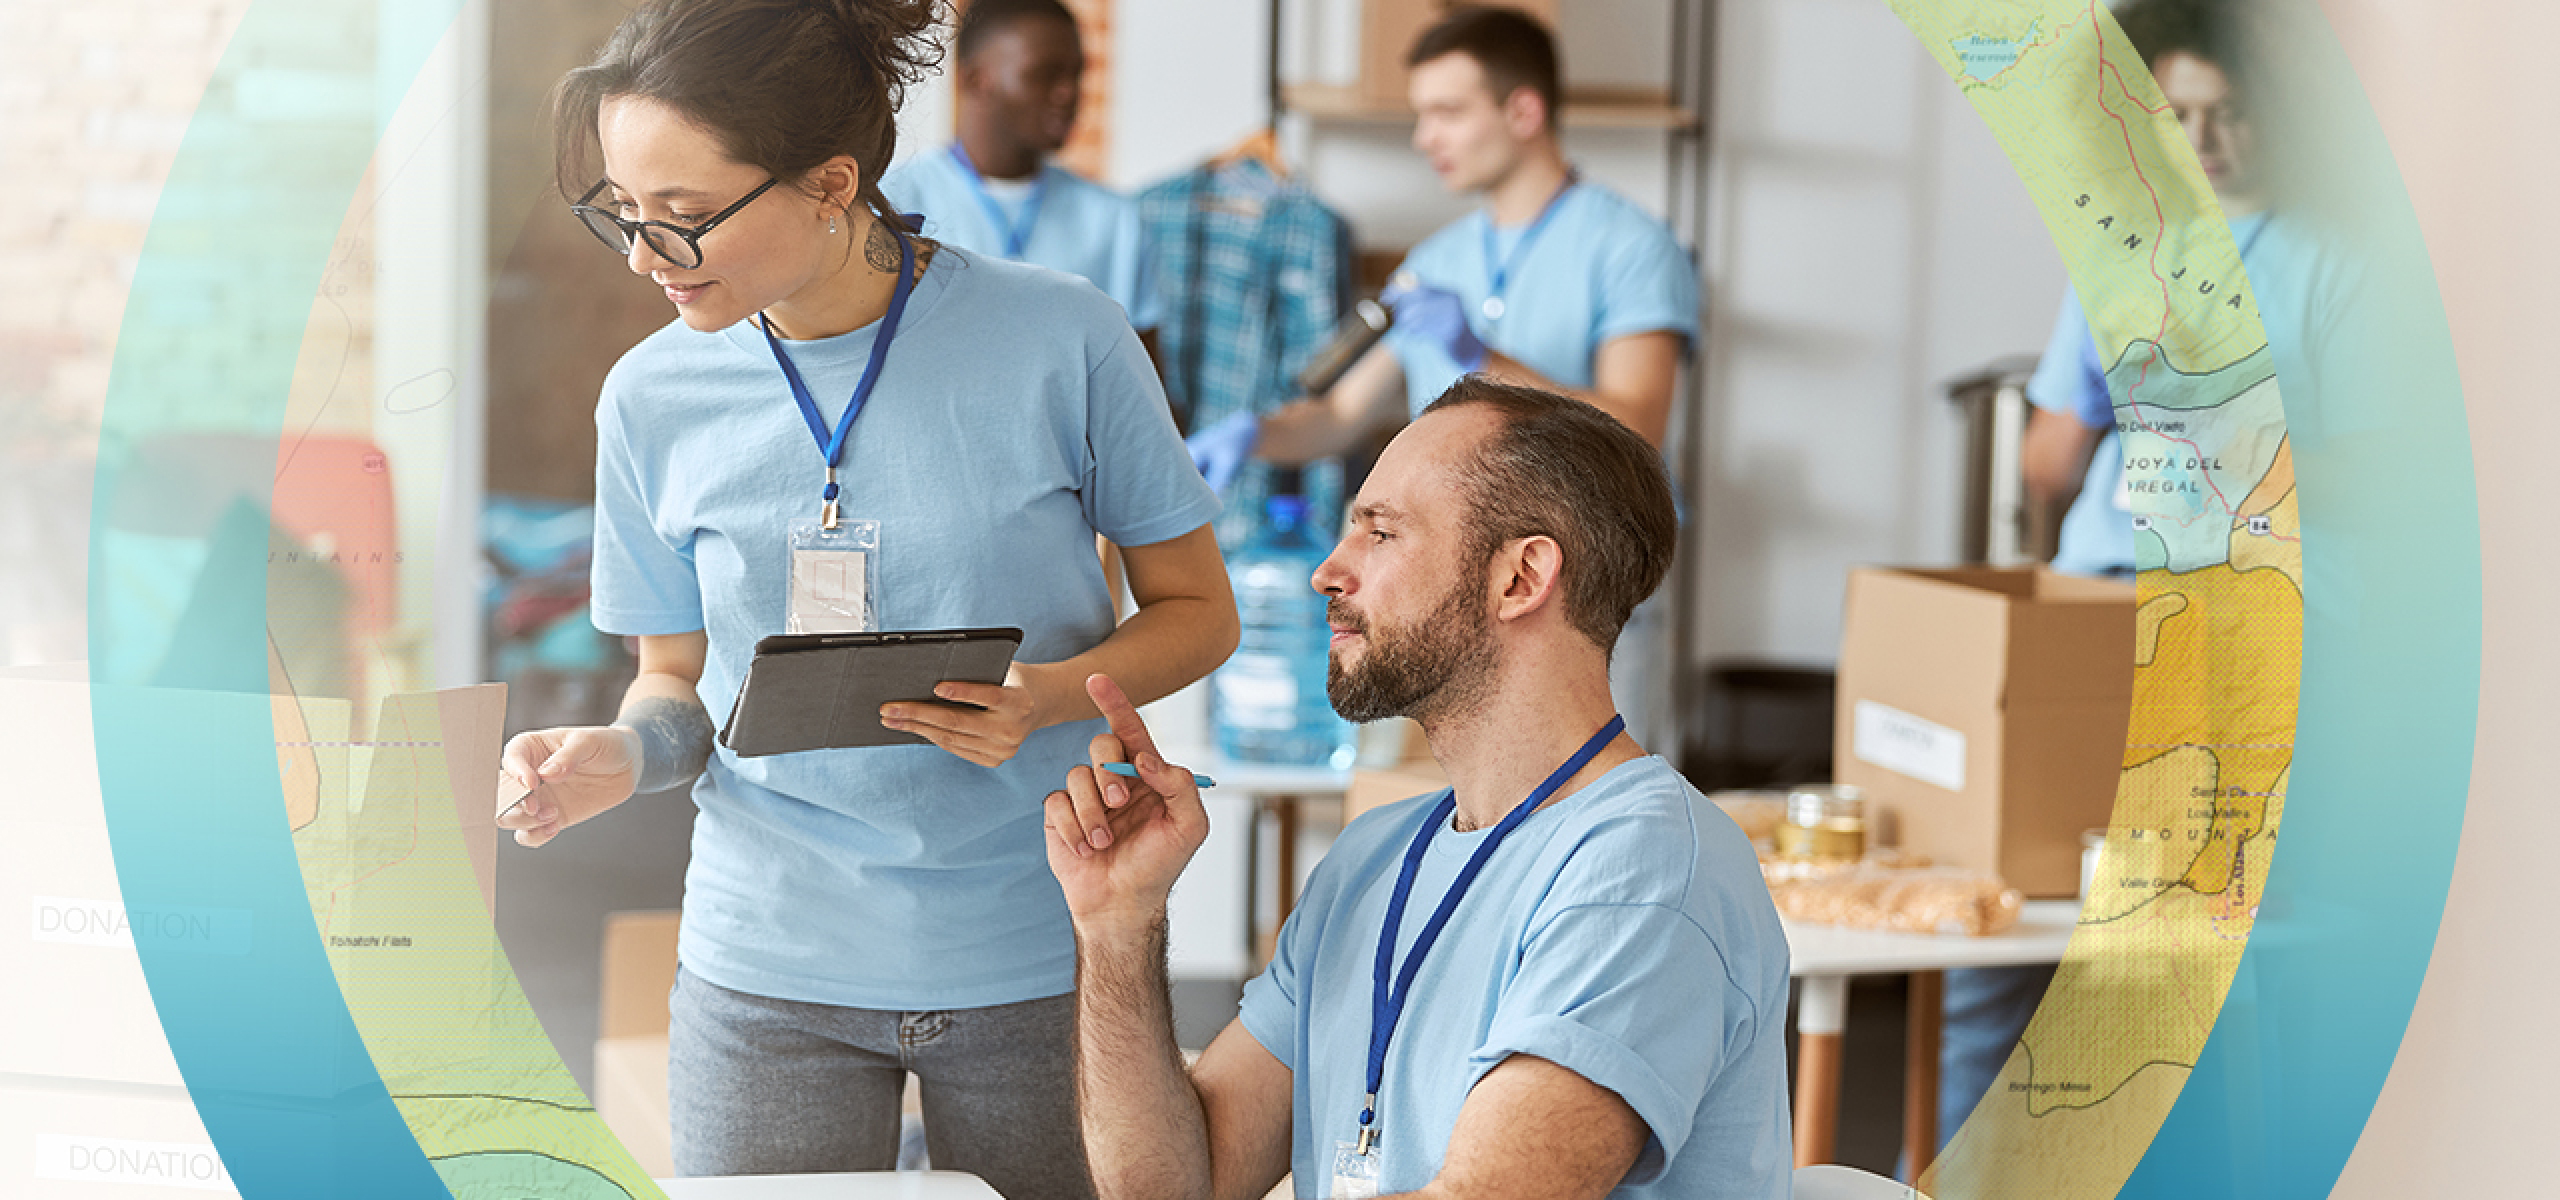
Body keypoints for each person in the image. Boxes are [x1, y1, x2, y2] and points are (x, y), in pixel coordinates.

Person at [498, 1, 1235, 1194]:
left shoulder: (1066, 339)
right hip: (765, 963)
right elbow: (675, 684)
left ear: (832, 181)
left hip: (1036, 947)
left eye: (684, 219)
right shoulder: (648, 397)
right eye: (627, 217)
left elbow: (1202, 612)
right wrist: (623, 756)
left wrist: (1044, 698)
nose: (645, 259)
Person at [1051, 379, 1790, 1200]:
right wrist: (1117, 924)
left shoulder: (1645, 871)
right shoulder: (1373, 856)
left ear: (1521, 578)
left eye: (1381, 533)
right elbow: (1172, 1189)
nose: (1327, 573)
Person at [1962, 0, 2345, 1152]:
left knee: (2167, 949)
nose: (2199, 138)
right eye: (2173, 114)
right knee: (2007, 932)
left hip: (2242, 625)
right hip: (2096, 608)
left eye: (2221, 114)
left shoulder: (2336, 261)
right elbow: (2048, 450)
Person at [1186, 4, 1698, 754]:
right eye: (1422, 114)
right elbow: (1337, 415)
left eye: (1448, 113)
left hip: (1584, 595)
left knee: (1587, 802)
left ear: (1523, 110)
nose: (1426, 137)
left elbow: (1639, 423)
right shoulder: (1435, 260)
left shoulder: (1631, 247)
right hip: (1446, 595)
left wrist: (1479, 355)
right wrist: (1253, 433)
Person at [879, 0, 1163, 342]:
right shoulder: (890, 205)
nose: (1069, 93)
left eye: (1076, 74)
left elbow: (1143, 385)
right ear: (975, 80)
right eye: (1044, 75)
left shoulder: (1114, 221)